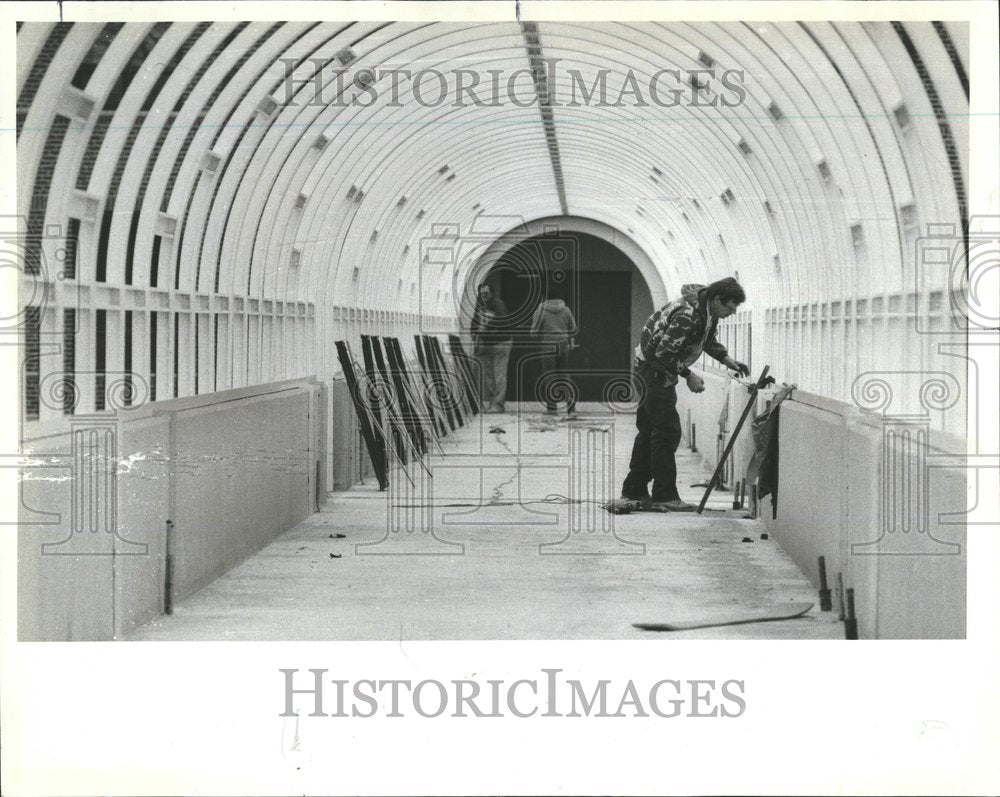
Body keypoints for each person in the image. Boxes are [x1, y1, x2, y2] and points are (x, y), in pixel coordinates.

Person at [620, 277, 750, 512]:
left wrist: (728, 360)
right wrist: (689, 375)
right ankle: (664, 494)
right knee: (667, 431)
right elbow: (663, 354)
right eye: (730, 307)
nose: (731, 313)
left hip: (653, 369)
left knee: (650, 430)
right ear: (717, 299)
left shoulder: (706, 311)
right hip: (653, 370)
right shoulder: (687, 314)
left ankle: (635, 489)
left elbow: (705, 339)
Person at [530, 282, 579, 416]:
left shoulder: (540, 311)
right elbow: (574, 329)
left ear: (545, 297)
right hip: (563, 344)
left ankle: (552, 408)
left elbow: (533, 333)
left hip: (548, 345)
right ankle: (571, 406)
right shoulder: (566, 309)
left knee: (549, 375)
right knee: (564, 374)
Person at [471, 282, 513, 413]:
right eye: (482, 294)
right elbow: (474, 323)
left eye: (486, 294)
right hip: (488, 344)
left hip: (500, 343)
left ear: (492, 293)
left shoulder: (497, 304)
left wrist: (484, 329)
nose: (484, 296)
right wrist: (475, 332)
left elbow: (502, 319)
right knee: (489, 375)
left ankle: (498, 404)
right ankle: (493, 403)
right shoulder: (480, 307)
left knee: (498, 374)